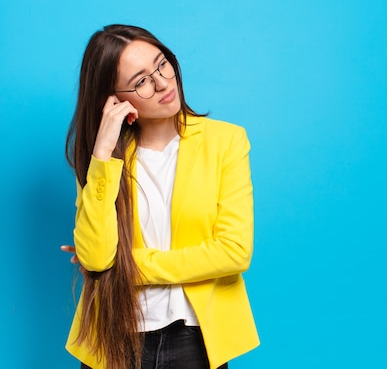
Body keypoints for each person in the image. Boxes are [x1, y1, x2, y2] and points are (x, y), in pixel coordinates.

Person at [60, 24, 259, 369]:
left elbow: (234, 252)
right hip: (113, 336)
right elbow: (95, 259)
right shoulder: (100, 161)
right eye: (141, 81)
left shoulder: (226, 142)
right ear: (114, 99)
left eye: (162, 64)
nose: (164, 83)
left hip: (194, 338)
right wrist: (103, 152)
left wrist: (128, 266)